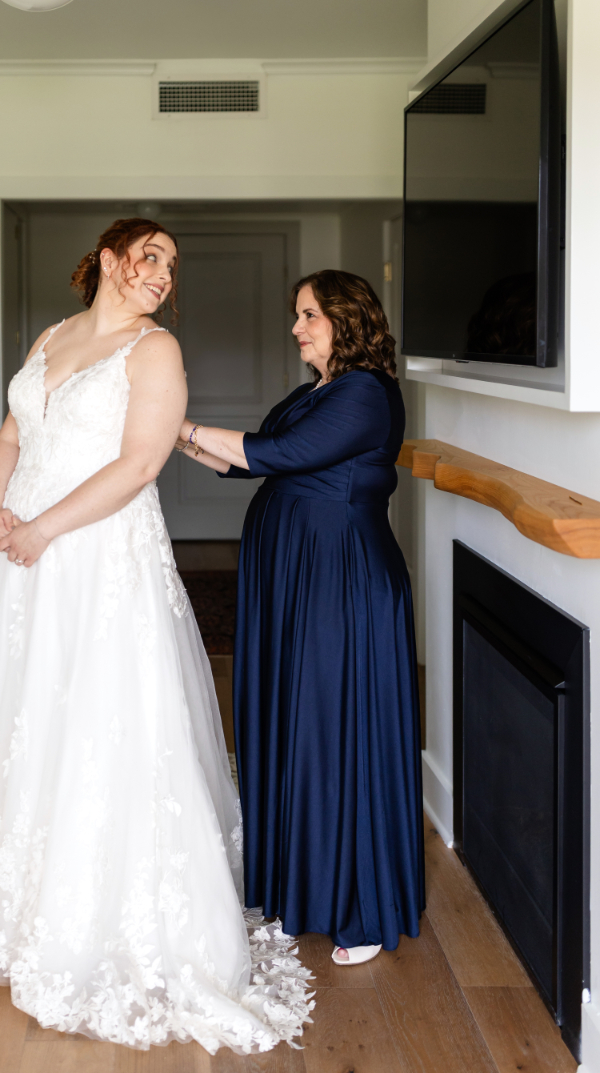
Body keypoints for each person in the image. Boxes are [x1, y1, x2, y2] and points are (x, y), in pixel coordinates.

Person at [0, 219, 313, 1051]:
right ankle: (18, 908)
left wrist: (44, 527)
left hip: (96, 555)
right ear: (106, 259)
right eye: (150, 256)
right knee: (25, 718)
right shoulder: (51, 337)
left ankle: (100, 919)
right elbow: (13, 436)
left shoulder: (154, 350)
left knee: (101, 720)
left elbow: (138, 465)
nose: (163, 274)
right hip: (24, 557)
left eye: (172, 265)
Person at [175, 269, 424, 966]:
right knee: (293, 725)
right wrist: (167, 437)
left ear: (347, 318)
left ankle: (358, 908)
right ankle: (297, 892)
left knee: (332, 728)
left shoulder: (367, 394)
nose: (296, 328)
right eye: (297, 315)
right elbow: (246, 463)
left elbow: (278, 455)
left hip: (339, 580)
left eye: (308, 315)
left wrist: (179, 421)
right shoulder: (317, 390)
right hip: (297, 577)